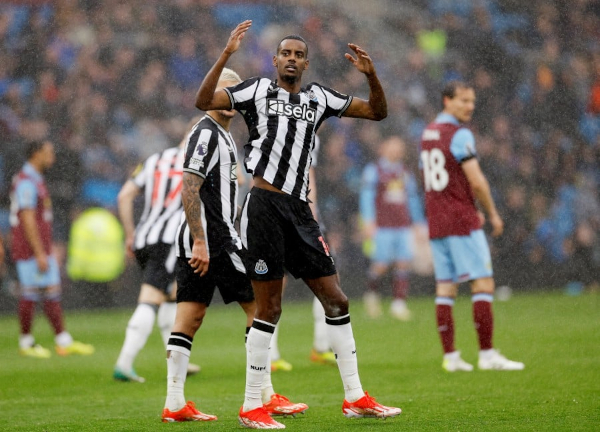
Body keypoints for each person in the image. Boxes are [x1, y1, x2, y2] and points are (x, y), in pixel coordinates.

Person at [196, 20, 401, 428]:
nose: (291, 59)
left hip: (301, 212)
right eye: (285, 54)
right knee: (269, 307)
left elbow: (377, 112)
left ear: (306, 64)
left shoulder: (318, 98)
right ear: (275, 61)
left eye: (299, 55)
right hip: (264, 207)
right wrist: (226, 54)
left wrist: (371, 75)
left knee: (337, 301)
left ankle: (355, 397)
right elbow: (203, 100)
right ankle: (251, 405)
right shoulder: (256, 90)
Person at [162, 68, 308, 423]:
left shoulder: (222, 134)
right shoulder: (206, 133)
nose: (229, 101)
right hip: (214, 241)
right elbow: (189, 185)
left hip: (205, 240)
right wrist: (201, 239)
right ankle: (262, 397)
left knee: (190, 317)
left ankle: (174, 403)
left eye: (234, 94)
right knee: (262, 308)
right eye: (224, 93)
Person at [419, 81, 524, 372]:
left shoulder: (427, 133)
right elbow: (476, 180)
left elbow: (433, 177)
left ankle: (451, 357)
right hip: (460, 220)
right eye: (463, 100)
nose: (470, 106)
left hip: (437, 219)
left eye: (472, 101)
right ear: (447, 100)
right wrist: (492, 213)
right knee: (483, 282)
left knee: (445, 287)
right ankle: (487, 355)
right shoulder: (459, 134)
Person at [113, 122, 200, 383]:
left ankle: (176, 359)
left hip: (144, 237)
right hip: (169, 241)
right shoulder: (199, 163)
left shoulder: (155, 159)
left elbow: (124, 195)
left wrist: (130, 233)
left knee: (170, 294)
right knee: (151, 296)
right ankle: (124, 363)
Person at [9, 140, 94, 358]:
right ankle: (26, 343)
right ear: (36, 154)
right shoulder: (26, 182)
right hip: (29, 249)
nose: (52, 158)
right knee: (30, 292)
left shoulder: (35, 179)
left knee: (51, 291)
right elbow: (27, 218)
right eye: (48, 153)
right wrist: (39, 253)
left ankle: (63, 341)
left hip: (41, 247)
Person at [270, 136, 336, 373]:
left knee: (326, 275)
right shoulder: (275, 127)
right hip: (281, 214)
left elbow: (309, 175)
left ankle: (321, 345)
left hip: (295, 213)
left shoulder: (308, 133)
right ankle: (271, 354)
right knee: (276, 282)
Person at [360, 135, 426, 321]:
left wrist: (418, 222)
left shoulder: (405, 172)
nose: (396, 150)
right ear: (383, 148)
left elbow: (412, 198)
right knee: (381, 265)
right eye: (393, 146)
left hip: (402, 225)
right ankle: (371, 296)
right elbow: (366, 196)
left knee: (403, 262)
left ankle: (399, 304)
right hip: (383, 226)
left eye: (399, 147)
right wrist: (368, 220)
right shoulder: (373, 170)